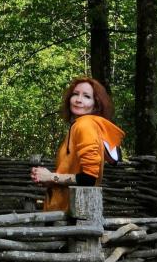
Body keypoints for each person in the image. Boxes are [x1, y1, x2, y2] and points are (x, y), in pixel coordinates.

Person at [31, 77, 125, 212]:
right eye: (75, 94)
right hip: (66, 210)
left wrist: (52, 177)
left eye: (86, 96)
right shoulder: (80, 126)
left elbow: (89, 179)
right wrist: (49, 180)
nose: (78, 100)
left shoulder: (85, 125)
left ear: (96, 104)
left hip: (74, 213)